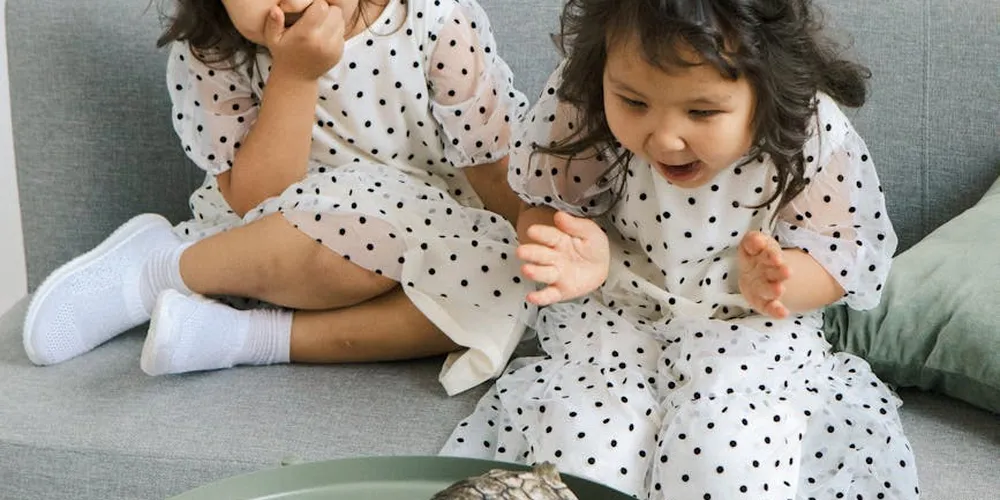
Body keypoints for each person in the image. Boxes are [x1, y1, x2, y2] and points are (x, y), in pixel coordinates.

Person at [441, 0, 921, 497]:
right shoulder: (583, 102)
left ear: (770, 85)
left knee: (727, 462)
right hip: (615, 327)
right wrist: (567, 249)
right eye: (633, 103)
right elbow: (541, 204)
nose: (665, 139)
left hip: (747, 339)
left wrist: (783, 282)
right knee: (584, 457)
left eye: (701, 111)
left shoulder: (807, 129)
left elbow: (840, 255)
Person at [22, 0, 534, 396]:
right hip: (267, 247)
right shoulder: (216, 49)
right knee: (362, 245)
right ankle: (157, 270)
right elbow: (259, 199)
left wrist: (540, 247)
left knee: (507, 291)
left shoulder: (433, 20)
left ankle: (242, 337)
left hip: (421, 235)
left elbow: (491, 166)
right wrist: (296, 74)